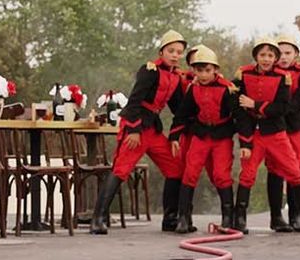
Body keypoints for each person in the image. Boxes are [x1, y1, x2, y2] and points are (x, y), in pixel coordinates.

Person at [90, 30, 186, 235]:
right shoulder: (149, 70)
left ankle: (170, 219)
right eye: (171, 51)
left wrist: (177, 135)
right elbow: (134, 100)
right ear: (162, 52)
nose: (175, 55)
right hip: (136, 126)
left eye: (179, 52)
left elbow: (178, 109)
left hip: (153, 128)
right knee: (120, 169)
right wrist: (133, 129)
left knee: (175, 167)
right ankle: (97, 219)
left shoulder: (176, 77)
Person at [234, 38, 300, 233]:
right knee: (249, 174)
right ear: (256, 56)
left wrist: (255, 105)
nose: (266, 59)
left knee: (295, 171)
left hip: (281, 130)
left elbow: (286, 106)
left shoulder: (289, 76)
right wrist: (245, 140)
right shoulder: (243, 73)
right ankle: (242, 219)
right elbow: (234, 99)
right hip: (255, 132)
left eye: (271, 55)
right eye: (262, 55)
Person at [169, 45, 238, 233]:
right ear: (194, 71)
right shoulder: (193, 88)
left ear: (215, 70)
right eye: (199, 70)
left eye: (207, 70)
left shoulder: (227, 89)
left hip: (222, 136)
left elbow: (239, 116)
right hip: (200, 135)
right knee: (190, 172)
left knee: (221, 175)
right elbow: (182, 114)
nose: (204, 75)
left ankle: (227, 218)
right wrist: (174, 135)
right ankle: (183, 218)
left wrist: (246, 141)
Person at [265, 35, 300, 232]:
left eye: (288, 53)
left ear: (296, 54)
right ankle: (276, 216)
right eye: (280, 53)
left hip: (292, 126)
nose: (283, 57)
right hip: (274, 127)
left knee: (297, 167)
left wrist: (280, 109)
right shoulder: (268, 74)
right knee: (275, 168)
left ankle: (297, 215)